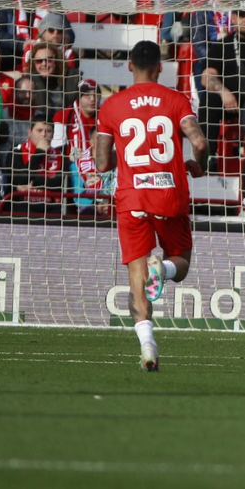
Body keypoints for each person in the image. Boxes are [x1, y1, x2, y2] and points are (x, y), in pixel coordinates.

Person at [89, 41, 209, 373]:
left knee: (136, 281)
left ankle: (149, 349)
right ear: (160, 67)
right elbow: (199, 141)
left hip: (132, 199)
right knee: (180, 265)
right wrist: (199, 165)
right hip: (169, 194)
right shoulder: (176, 99)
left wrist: (122, 157)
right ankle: (165, 270)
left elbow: (101, 164)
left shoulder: (112, 105)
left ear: (130, 66)